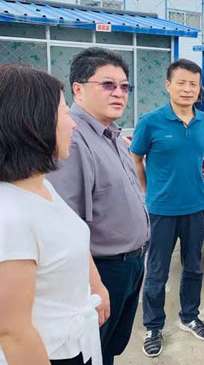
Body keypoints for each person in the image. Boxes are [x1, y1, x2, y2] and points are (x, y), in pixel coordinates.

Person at [48, 48, 149, 365]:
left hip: (130, 264)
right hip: (102, 270)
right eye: (108, 84)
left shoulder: (113, 135)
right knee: (92, 354)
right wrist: (94, 284)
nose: (119, 93)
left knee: (110, 349)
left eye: (124, 86)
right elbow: (65, 224)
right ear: (78, 89)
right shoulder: (73, 140)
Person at [0, 64, 105, 365]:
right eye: (64, 112)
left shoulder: (41, 185)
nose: (73, 125)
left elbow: (69, 238)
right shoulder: (10, 216)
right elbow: (13, 332)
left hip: (76, 343)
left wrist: (96, 286)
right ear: (32, 123)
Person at [131, 59, 204, 357]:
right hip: (161, 210)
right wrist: (147, 191)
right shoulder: (150, 122)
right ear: (168, 85)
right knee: (157, 271)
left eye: (194, 84)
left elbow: (198, 157)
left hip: (195, 207)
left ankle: (189, 316)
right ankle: (153, 326)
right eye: (181, 82)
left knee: (193, 267)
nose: (187, 89)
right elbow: (135, 158)